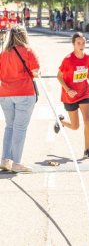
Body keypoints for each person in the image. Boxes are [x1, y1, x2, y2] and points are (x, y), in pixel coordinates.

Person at [54, 32, 89, 159]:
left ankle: (87, 149)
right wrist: (68, 89)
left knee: (88, 120)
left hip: (84, 92)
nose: (81, 45)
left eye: (83, 43)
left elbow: (86, 74)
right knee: (75, 126)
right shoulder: (68, 59)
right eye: (78, 43)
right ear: (73, 44)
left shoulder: (88, 58)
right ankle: (61, 121)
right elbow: (59, 76)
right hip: (70, 95)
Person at [0, 25, 40, 173]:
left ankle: (5, 159)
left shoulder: (3, 53)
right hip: (24, 92)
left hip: (5, 94)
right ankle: (16, 162)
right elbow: (35, 72)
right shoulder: (28, 51)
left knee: (9, 126)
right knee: (20, 128)